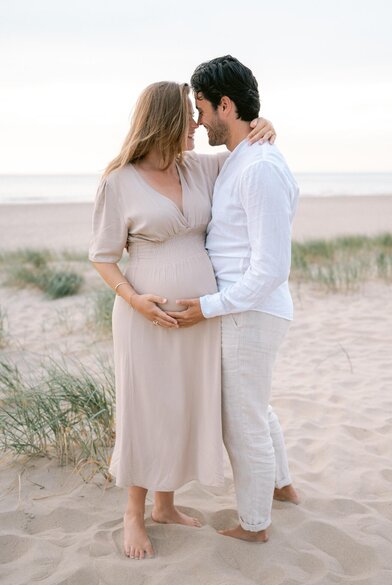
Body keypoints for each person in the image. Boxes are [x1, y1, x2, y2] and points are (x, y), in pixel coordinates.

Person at [89, 81, 275, 559]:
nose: (197, 124)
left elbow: (244, 150)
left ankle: (165, 505)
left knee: (180, 406)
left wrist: (267, 125)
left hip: (198, 316)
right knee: (145, 407)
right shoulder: (118, 181)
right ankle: (134, 512)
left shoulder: (199, 169)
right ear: (164, 121)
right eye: (188, 117)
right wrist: (135, 300)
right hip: (144, 316)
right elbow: (103, 257)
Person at [167, 56, 300, 543]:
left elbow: (270, 269)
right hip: (245, 310)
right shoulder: (245, 156)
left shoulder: (259, 166)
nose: (198, 122)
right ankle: (283, 487)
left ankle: (254, 526)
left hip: (248, 312)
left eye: (202, 109)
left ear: (227, 105)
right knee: (255, 407)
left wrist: (207, 306)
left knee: (241, 422)